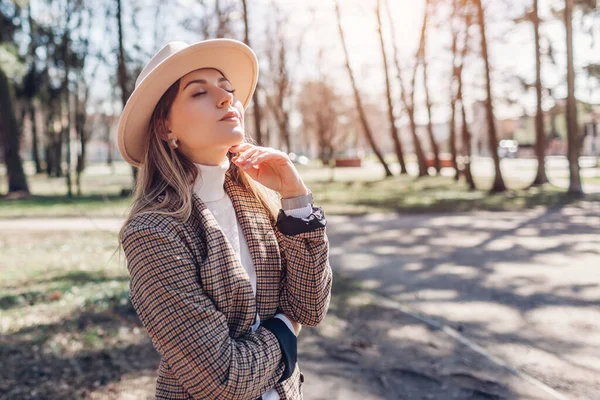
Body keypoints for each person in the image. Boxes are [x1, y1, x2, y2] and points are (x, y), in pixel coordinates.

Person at [117, 39, 332, 400]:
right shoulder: (153, 232)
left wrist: (295, 194)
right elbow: (221, 380)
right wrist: (284, 332)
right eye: (199, 92)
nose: (225, 99)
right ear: (164, 129)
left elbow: (309, 307)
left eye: (228, 89)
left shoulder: (255, 200)